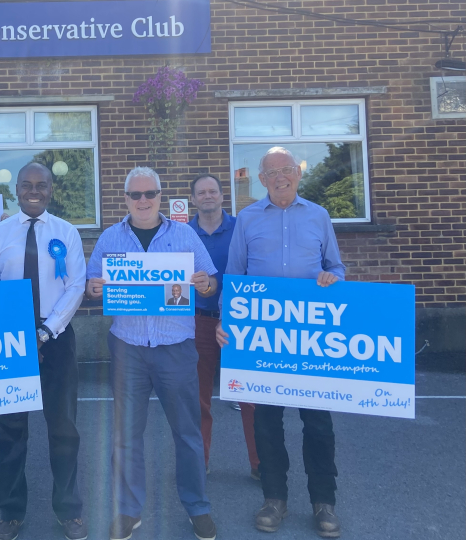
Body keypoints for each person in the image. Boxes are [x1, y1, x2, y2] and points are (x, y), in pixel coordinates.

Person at [216, 147, 346, 538]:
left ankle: (324, 502)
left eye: (287, 169)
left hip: (310, 341)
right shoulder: (248, 219)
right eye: (272, 172)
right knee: (267, 423)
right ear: (262, 180)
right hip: (263, 340)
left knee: (319, 424)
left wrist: (332, 278)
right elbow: (234, 274)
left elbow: (336, 267)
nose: (281, 177)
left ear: (298, 174)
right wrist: (225, 318)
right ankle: (274, 498)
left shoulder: (318, 216)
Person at [85, 167, 218, 540]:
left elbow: (210, 282)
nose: (143, 200)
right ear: (124, 198)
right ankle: (128, 511)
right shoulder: (110, 237)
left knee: (187, 433)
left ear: (161, 196)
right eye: (135, 195)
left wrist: (206, 284)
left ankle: (197, 507)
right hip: (128, 347)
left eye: (150, 193)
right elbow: (92, 286)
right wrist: (94, 288)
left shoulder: (185, 235)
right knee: (126, 434)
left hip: (175, 347)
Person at [0, 162, 87, 540]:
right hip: (9, 342)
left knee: (63, 429)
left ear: (51, 190)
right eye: (26, 185)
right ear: (17, 190)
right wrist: (16, 334)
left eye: (41, 185)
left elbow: (76, 287)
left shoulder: (67, 233)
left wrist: (45, 331)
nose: (34, 191)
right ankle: (11, 512)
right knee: (10, 431)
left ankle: (69, 511)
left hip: (56, 338)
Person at [187, 173, 260, 479]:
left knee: (251, 398)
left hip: (240, 322)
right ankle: (199, 461)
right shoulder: (181, 233)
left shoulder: (241, 228)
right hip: (198, 321)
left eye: (212, 191)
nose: (207, 196)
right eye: (201, 192)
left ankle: (260, 465)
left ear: (221, 196)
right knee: (199, 398)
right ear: (193, 199)